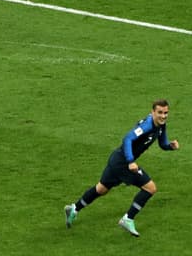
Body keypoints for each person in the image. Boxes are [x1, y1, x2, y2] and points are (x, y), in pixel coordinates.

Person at [64, 99, 180, 237]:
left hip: (116, 160)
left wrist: (170, 146)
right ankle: (128, 218)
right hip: (123, 162)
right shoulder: (147, 125)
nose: (163, 116)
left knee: (101, 189)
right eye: (160, 112)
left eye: (166, 113)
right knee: (150, 188)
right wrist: (130, 161)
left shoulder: (161, 125)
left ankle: (74, 209)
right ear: (152, 112)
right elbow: (127, 139)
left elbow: (162, 143)